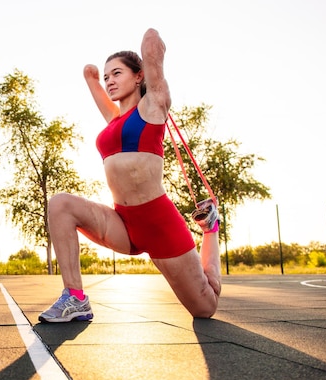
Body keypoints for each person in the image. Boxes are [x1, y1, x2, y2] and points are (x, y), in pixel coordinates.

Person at [39, 28, 221, 322]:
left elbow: (151, 40)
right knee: (60, 204)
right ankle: (75, 298)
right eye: (107, 75)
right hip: (122, 222)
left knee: (205, 307)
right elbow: (99, 90)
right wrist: (91, 78)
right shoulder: (114, 120)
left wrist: (149, 66)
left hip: (158, 223)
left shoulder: (152, 107)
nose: (110, 80)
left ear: (139, 77)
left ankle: (210, 230)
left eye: (117, 73)